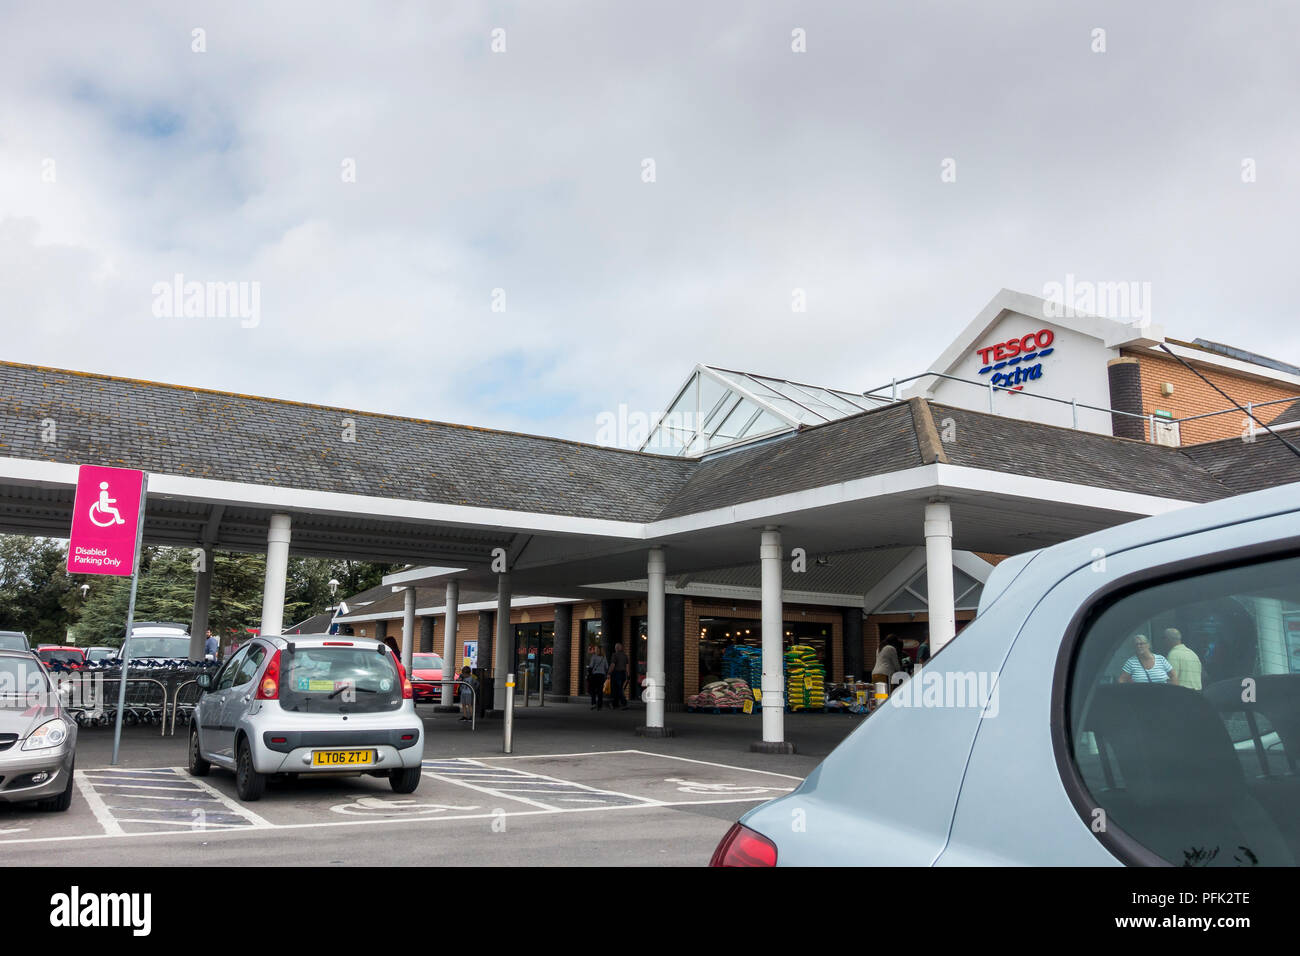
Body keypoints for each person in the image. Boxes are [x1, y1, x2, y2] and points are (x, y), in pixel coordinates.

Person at [588, 645, 609, 711]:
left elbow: (591, 666)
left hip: (595, 675)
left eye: (596, 649)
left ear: (597, 650)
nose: (595, 650)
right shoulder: (604, 657)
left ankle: (593, 703)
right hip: (602, 676)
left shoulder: (594, 657)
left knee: (593, 690)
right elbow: (607, 667)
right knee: (600, 691)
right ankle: (600, 706)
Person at [609, 642, 629, 710]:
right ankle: (616, 704)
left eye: (616, 647)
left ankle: (623, 703)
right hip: (623, 674)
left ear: (617, 648)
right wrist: (628, 675)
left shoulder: (614, 655)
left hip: (616, 673)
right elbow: (627, 666)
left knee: (616, 689)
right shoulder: (625, 655)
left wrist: (609, 673)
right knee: (619, 688)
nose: (615, 648)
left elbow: (613, 665)